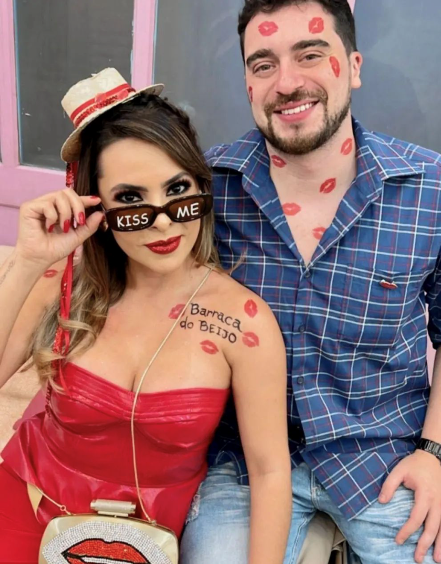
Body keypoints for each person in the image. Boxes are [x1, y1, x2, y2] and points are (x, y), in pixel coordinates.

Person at [180, 1, 441, 563]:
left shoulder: (437, 192)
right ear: (247, 82)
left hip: (385, 460)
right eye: (263, 64)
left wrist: (435, 455)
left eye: (310, 54)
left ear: (355, 67)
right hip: (244, 461)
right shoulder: (207, 190)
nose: (287, 82)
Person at [0, 68, 291, 563]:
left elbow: (269, 472)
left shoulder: (244, 322)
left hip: (147, 542)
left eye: (178, 191)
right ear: (96, 206)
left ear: (201, 188)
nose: (162, 221)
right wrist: (28, 261)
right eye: (130, 200)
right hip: (29, 503)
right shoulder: (61, 282)